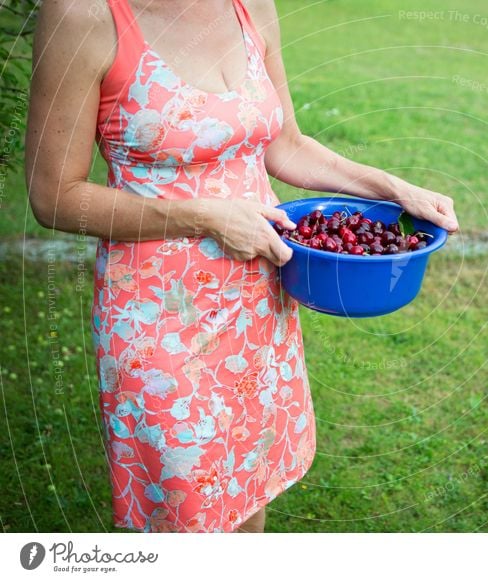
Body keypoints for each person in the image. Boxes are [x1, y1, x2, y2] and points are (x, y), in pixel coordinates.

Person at [25, 0, 459, 533]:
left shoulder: (249, 4)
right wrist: (204, 218)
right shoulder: (84, 14)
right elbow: (55, 197)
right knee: (186, 516)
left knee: (248, 495)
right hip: (159, 318)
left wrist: (395, 189)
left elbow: (288, 147)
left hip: (258, 302)